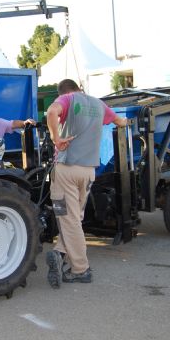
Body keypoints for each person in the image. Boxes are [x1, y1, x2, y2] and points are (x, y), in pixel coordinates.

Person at [45, 79, 127, 288]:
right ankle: (60, 252)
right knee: (75, 218)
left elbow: (51, 113)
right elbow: (120, 122)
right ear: (79, 88)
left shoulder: (66, 99)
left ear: (62, 92)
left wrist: (56, 138)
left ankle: (80, 269)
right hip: (88, 172)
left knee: (67, 218)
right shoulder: (99, 104)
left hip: (66, 169)